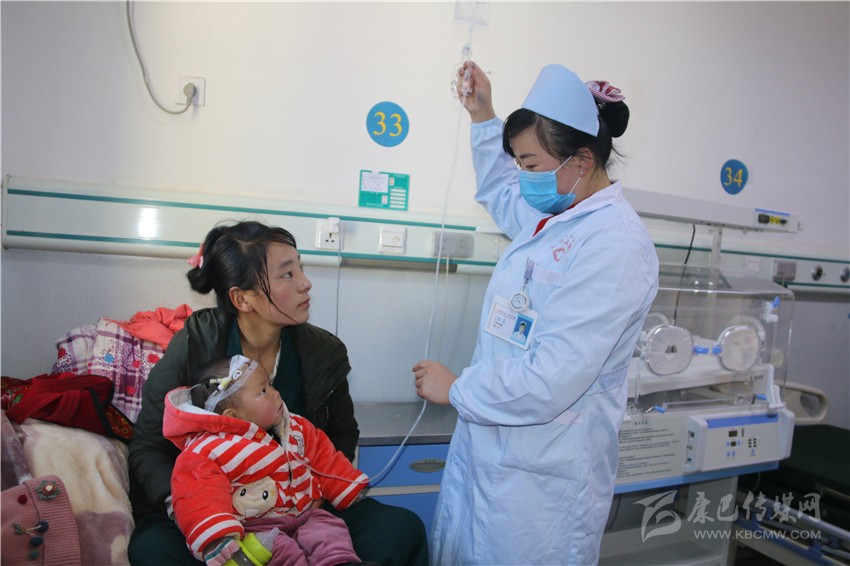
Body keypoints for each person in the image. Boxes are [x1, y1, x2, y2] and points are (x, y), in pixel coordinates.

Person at [412, 62, 659, 565]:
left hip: (544, 479)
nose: (523, 178)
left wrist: (457, 388)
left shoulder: (614, 244)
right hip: (497, 449)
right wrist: (483, 117)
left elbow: (552, 378)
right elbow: (500, 190)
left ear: (581, 161)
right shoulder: (557, 216)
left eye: (530, 164)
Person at [129, 220, 428, 566]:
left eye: (301, 268)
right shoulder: (195, 343)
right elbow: (148, 447)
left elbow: (342, 434)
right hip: (214, 511)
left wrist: (314, 492)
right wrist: (195, 508)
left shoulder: (324, 352)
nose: (305, 283)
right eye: (287, 274)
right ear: (242, 298)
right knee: (153, 550)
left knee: (401, 528)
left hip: (302, 508)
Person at [163, 354, 369, 565]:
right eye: (263, 391)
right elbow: (198, 494)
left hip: (307, 513)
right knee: (282, 551)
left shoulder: (295, 427)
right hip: (255, 527)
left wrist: (346, 484)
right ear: (232, 415)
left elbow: (323, 457)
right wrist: (217, 539)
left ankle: (340, 562)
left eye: (270, 385)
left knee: (329, 531)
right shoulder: (209, 450)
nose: (275, 393)